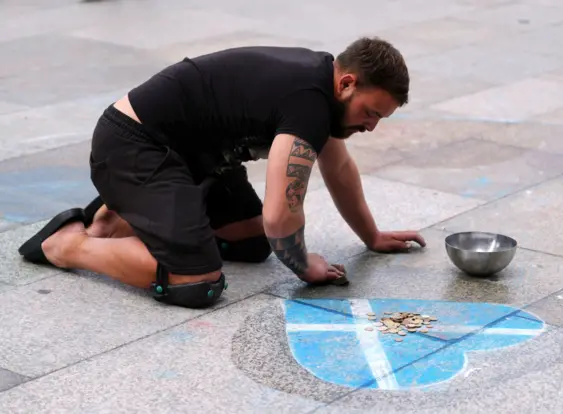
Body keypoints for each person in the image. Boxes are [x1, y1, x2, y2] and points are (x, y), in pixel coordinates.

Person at [18, 37, 426, 309]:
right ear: (348, 83)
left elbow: (338, 168)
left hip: (192, 156)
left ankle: (119, 217)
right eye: (371, 113)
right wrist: (304, 267)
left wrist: (370, 236)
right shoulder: (309, 101)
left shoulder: (323, 88)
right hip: (134, 146)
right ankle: (67, 244)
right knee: (196, 280)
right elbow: (281, 215)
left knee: (252, 243)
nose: (372, 126)